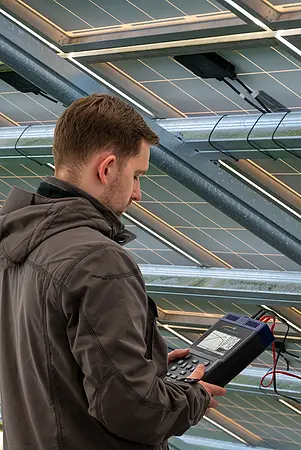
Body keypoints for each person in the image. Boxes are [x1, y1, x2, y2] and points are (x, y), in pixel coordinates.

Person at [0, 94, 226, 450]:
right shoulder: (97, 259)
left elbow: (49, 365)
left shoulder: (16, 246)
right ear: (106, 169)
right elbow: (132, 409)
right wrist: (192, 397)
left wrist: (141, 364)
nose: (138, 193)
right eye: (136, 176)